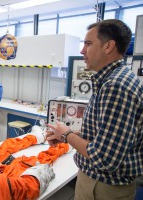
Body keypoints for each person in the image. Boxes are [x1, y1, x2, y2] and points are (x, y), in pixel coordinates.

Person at [46, 19, 143, 200]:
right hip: (98, 183)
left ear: (108, 46)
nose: (82, 50)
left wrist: (67, 135)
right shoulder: (111, 80)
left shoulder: (115, 86)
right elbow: (105, 133)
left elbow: (104, 158)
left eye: (88, 44)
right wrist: (72, 133)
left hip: (103, 188)